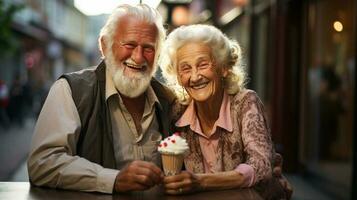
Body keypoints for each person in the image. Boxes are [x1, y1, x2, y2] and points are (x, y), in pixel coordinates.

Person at [27, 4, 176, 193]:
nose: (138, 57)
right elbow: (42, 163)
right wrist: (112, 179)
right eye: (129, 45)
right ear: (105, 46)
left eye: (148, 48)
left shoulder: (167, 100)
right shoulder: (71, 90)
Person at [159, 24, 291, 199]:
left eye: (203, 64)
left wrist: (201, 182)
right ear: (178, 77)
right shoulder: (177, 112)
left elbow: (261, 166)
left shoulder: (245, 103)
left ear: (223, 67)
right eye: (185, 68)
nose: (195, 76)